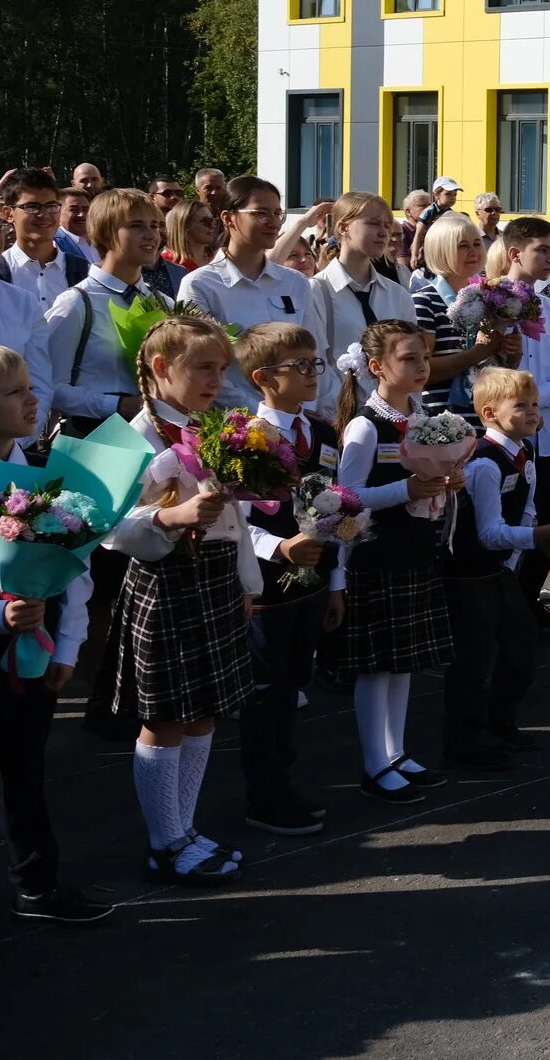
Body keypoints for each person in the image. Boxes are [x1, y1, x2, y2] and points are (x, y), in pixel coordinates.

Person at [105, 313, 257, 886]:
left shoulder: (210, 425)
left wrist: (247, 582)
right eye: (203, 368)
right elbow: (111, 528)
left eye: (221, 368)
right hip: (166, 581)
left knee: (203, 715)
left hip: (215, 580)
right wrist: (170, 515)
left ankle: (185, 829)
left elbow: (234, 516)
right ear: (162, 368)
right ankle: (164, 843)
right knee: (164, 720)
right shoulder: (135, 436)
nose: (216, 380)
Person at [0, 346, 113, 923]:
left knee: (26, 775)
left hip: (33, 658)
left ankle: (38, 885)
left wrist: (67, 646)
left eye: (29, 387)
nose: (32, 398)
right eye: (15, 392)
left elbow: (76, 566)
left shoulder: (43, 470)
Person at [330, 320, 460, 804]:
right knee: (376, 667)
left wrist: (448, 483)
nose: (422, 367)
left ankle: (396, 752)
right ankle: (373, 763)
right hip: (375, 556)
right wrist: (405, 489)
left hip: (413, 549)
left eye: (424, 357)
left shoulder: (424, 414)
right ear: (376, 367)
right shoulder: (366, 425)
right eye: (408, 359)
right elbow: (344, 500)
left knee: (402, 664)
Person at [232, 324, 340, 837]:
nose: (312, 373)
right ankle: (264, 793)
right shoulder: (245, 438)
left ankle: (284, 779)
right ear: (263, 379)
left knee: (295, 683)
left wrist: (334, 580)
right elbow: (234, 519)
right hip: (266, 587)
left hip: (312, 582)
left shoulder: (321, 431)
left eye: (314, 363)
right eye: (299, 366)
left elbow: (332, 503)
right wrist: (278, 547)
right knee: (266, 692)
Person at [445, 366, 550, 767]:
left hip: (499, 571)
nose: (533, 413)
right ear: (488, 414)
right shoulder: (485, 463)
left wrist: (523, 549)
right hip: (470, 574)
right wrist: (541, 536)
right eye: (521, 406)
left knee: (521, 645)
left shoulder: (524, 452)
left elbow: (526, 509)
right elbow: (489, 533)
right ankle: (464, 741)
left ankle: (500, 722)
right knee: (473, 660)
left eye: (534, 404)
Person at [493, 217, 550, 615]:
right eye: (542, 249)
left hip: (548, 435)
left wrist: (536, 400)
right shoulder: (487, 302)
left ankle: (524, 602)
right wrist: (518, 407)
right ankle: (503, 603)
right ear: (515, 253)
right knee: (509, 519)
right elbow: (483, 371)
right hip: (505, 437)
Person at [177, 177, 313, 411]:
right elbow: (200, 365)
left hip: (296, 417)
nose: (273, 223)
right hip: (236, 425)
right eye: (261, 213)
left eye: (277, 214)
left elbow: (312, 351)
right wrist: (263, 414)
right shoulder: (201, 285)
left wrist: (304, 412)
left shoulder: (295, 283)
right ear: (228, 218)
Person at [46, 189, 165, 437]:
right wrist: (116, 405)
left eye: (155, 225)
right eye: (136, 225)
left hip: (156, 437)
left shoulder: (163, 303)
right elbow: (50, 388)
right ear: (105, 234)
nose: (151, 235)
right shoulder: (77, 303)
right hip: (92, 439)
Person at [307, 192, 419, 411]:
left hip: (393, 413)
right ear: (343, 228)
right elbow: (316, 360)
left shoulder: (397, 294)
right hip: (338, 412)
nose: (383, 233)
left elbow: (411, 357)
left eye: (387, 225)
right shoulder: (318, 290)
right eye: (373, 223)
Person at [410, 210, 512, 418]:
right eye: (462, 246)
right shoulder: (424, 300)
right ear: (440, 251)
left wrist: (511, 352)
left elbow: (497, 365)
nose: (474, 251)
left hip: (487, 414)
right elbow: (422, 369)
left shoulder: (488, 298)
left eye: (476, 243)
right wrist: (479, 352)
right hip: (441, 418)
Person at [1, 167, 91, 311]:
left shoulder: (82, 270)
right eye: (32, 207)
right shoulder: (1, 272)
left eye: (51, 206)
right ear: (8, 214)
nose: (44, 215)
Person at [409, 176, 462, 267]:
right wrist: (414, 255)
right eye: (448, 194)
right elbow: (418, 234)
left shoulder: (451, 214)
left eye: (455, 195)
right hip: (426, 251)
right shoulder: (429, 212)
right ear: (437, 195)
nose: (452, 198)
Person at [55, 187, 98, 264]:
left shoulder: (101, 240)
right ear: (59, 211)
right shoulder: (54, 244)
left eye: (85, 209)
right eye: (74, 210)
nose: (81, 214)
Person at [397, 190, 431, 269]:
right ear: (408, 212)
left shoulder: (432, 230)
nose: (429, 209)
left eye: (430, 205)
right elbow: (402, 265)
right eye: (423, 205)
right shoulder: (401, 230)